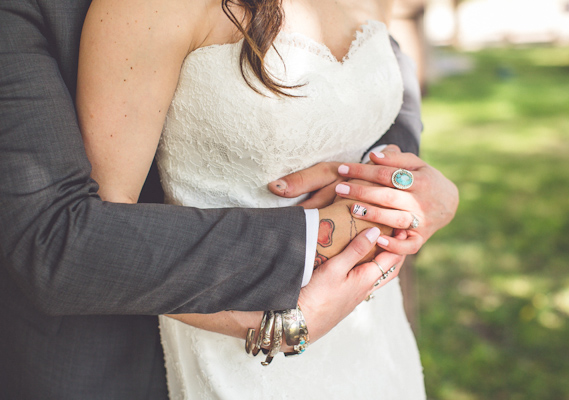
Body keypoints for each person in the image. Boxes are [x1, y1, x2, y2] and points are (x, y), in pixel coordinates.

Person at [0, 1, 458, 399]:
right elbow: (74, 233)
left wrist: (409, 186)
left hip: (373, 332)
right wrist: (336, 239)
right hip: (205, 335)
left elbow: (383, 82)